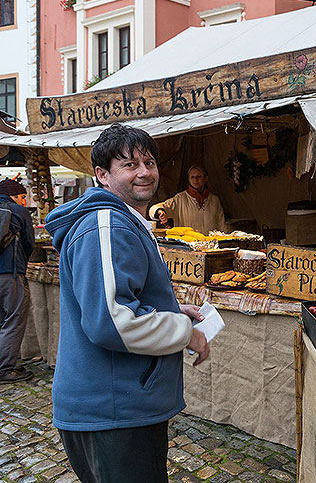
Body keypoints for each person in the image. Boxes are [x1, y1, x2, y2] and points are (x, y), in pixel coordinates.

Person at [45, 123, 210, 483]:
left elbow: (119, 300)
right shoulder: (107, 225)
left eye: (149, 162)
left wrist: (169, 311)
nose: (144, 172)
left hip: (115, 405)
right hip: (113, 409)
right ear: (102, 175)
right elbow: (113, 321)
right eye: (130, 165)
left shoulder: (120, 221)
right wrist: (185, 333)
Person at [0, 178, 34, 384]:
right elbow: (29, 243)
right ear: (13, 195)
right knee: (13, 319)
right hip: (10, 273)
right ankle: (5, 369)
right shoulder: (19, 212)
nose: (23, 201)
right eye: (22, 197)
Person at [149, 165, 228, 234]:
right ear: (189, 180)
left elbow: (222, 226)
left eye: (199, 176)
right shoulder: (180, 199)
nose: (195, 180)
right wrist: (160, 212)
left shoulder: (214, 200)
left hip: (211, 247)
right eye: (192, 177)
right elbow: (153, 209)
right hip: (187, 248)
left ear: (206, 178)